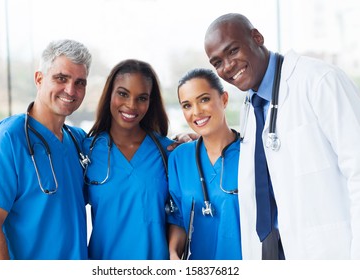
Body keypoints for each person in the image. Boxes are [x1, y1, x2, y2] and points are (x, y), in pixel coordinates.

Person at [204, 13, 360, 259]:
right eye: (217, 62)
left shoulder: (320, 81)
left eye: (232, 51)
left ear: (257, 37)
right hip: (273, 252)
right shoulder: (252, 105)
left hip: (331, 252)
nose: (228, 66)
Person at [0, 39, 92, 259]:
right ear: (39, 78)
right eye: (61, 78)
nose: (70, 90)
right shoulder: (8, 139)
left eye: (80, 82)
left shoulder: (78, 141)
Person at [83, 59, 173, 260]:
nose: (131, 105)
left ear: (151, 102)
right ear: (110, 95)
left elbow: (181, 216)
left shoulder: (167, 152)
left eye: (142, 98)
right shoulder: (86, 151)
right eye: (123, 94)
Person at [167, 68, 242, 260]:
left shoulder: (252, 155)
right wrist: (173, 253)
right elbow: (178, 218)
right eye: (187, 105)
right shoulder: (179, 158)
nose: (196, 112)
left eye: (204, 99)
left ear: (224, 99)